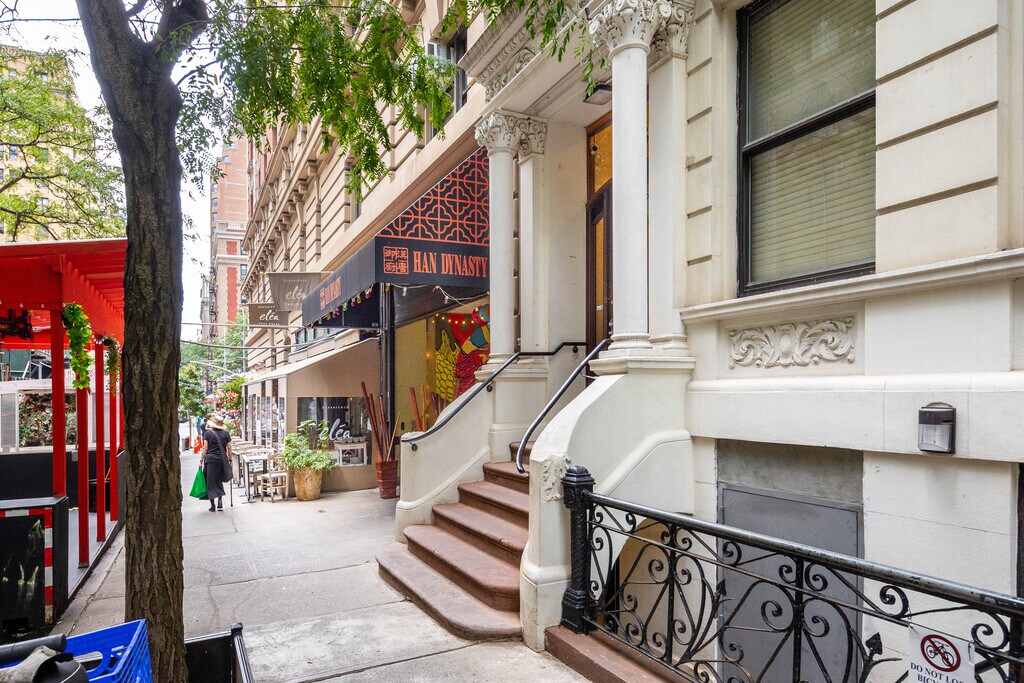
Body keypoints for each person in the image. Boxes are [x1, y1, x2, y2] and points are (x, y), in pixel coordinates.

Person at [199, 414, 232, 511]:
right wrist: (230, 459)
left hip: (210, 460)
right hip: (222, 460)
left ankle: (212, 505)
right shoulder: (226, 434)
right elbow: (229, 448)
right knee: (219, 480)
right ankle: (220, 501)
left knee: (210, 482)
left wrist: (201, 460)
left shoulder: (207, 434)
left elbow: (205, 448)